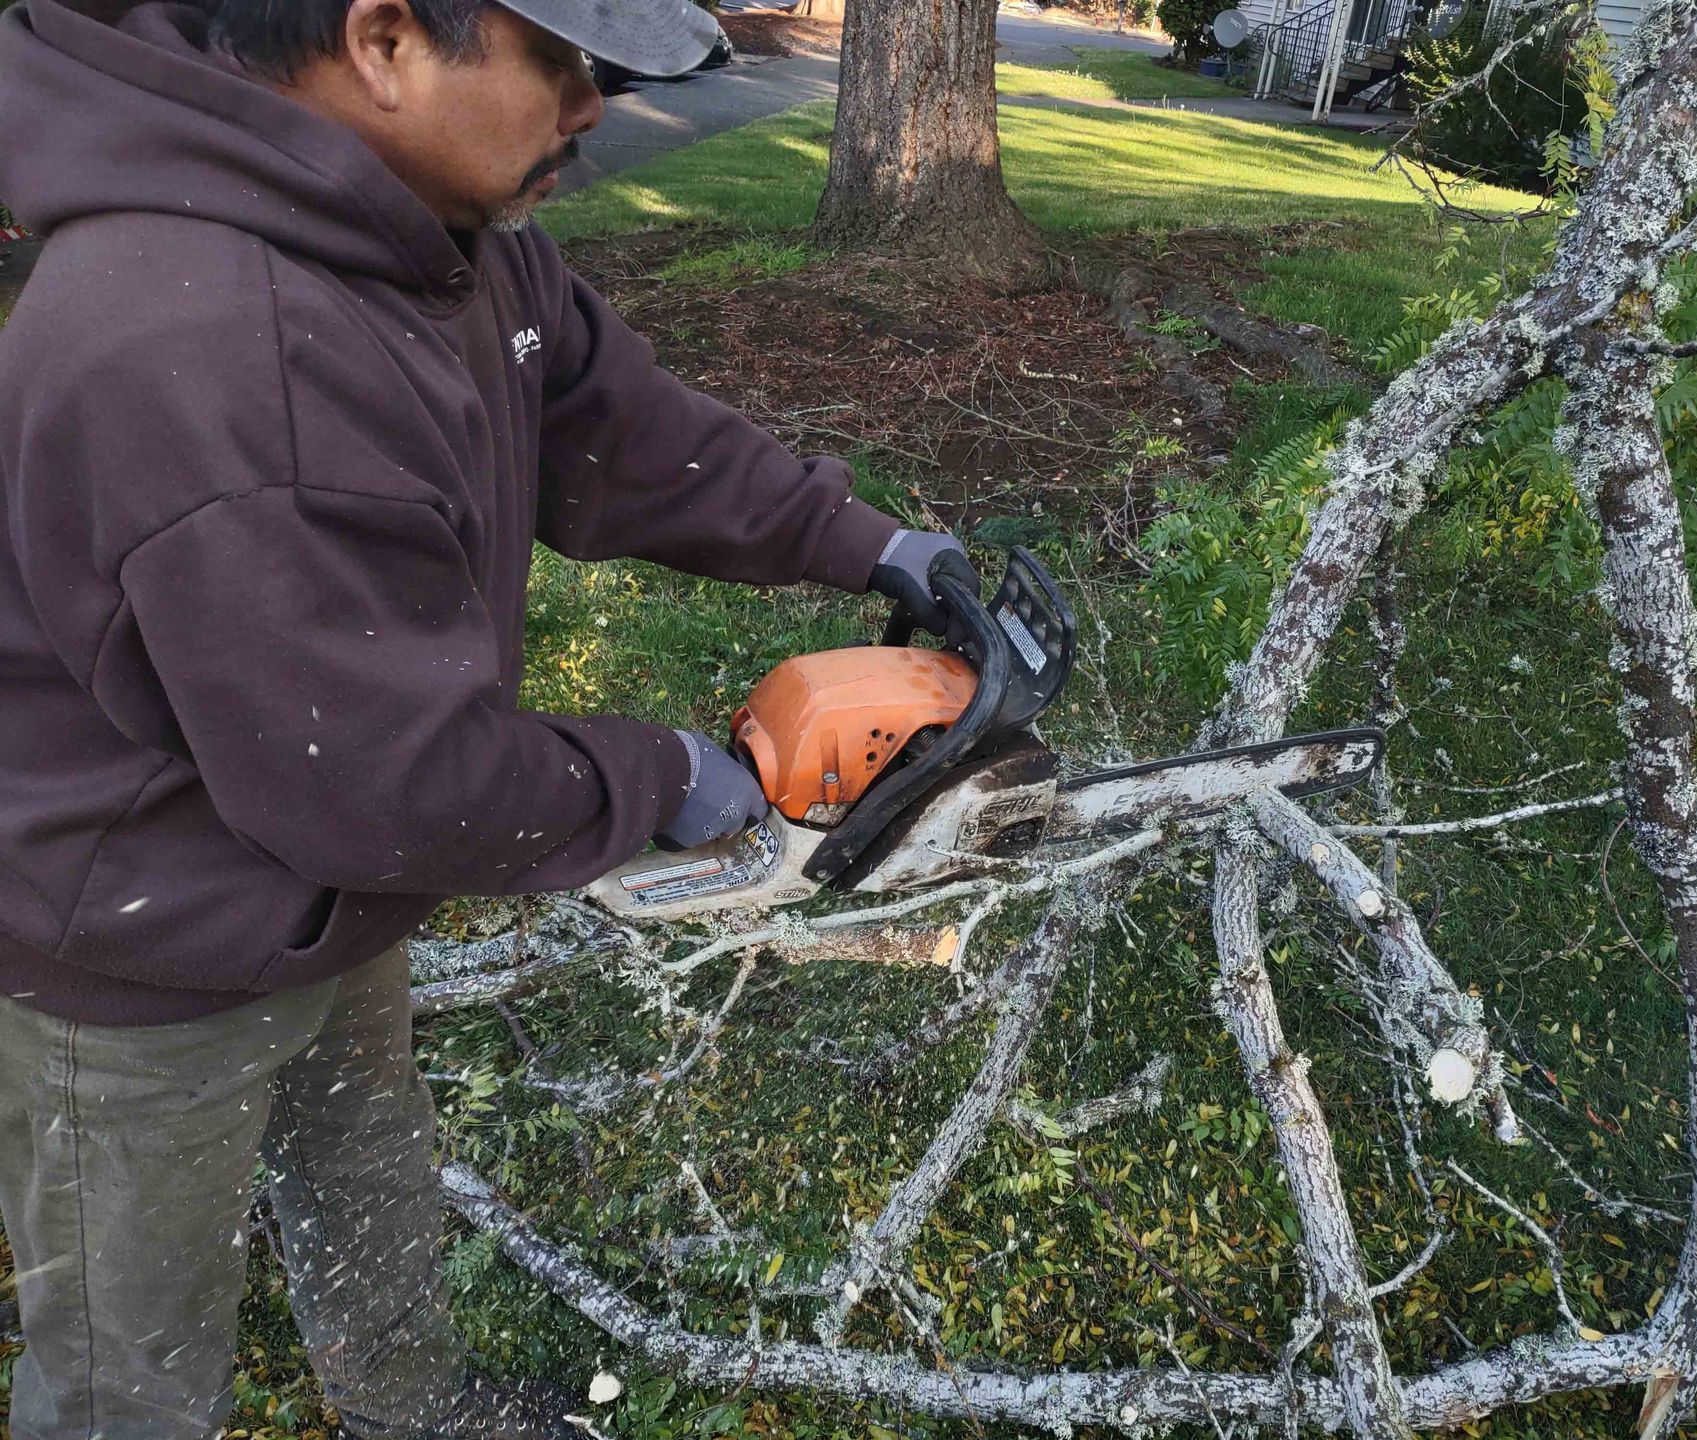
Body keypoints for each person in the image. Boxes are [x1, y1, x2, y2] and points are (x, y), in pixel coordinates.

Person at [0, 0, 977, 1435]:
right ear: (385, 39)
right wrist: (665, 777)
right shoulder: (206, 342)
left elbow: (615, 418)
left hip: (327, 891)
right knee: (122, 1372)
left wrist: (874, 546)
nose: (588, 106)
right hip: (138, 955)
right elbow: (378, 780)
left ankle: (413, 1409)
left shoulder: (439, 232)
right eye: (564, 65)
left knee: (368, 1182)